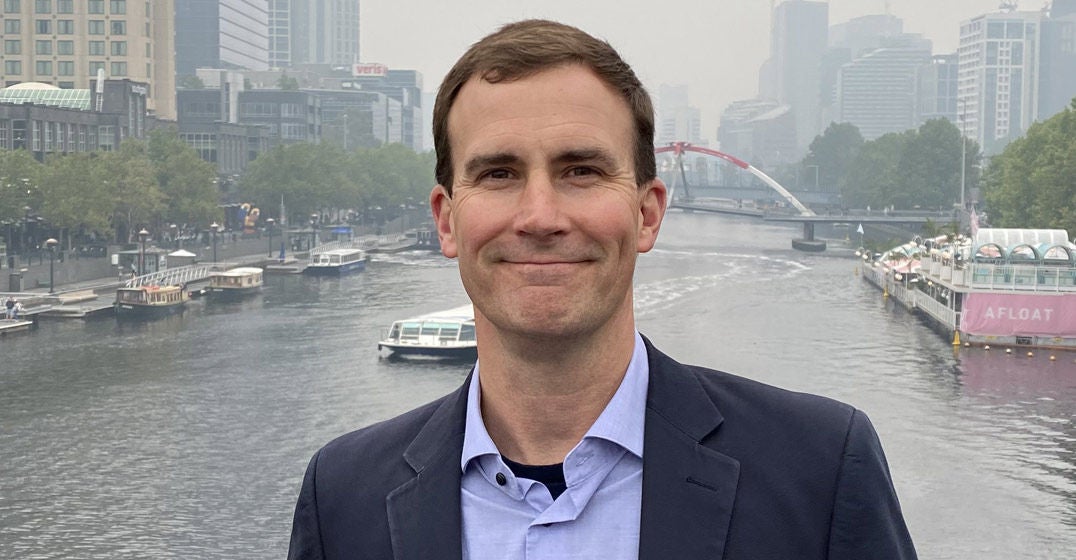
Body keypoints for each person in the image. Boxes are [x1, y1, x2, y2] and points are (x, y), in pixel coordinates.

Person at [288, 19, 917, 560]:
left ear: (647, 213)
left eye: (582, 171)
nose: (539, 216)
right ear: (447, 220)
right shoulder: (343, 496)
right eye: (499, 173)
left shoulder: (821, 469)